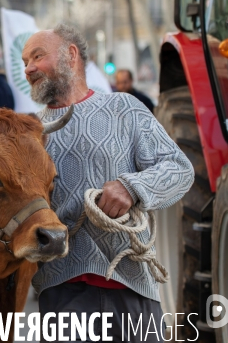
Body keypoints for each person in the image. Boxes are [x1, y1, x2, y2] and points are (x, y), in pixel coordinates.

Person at [22, 24, 194, 342]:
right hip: (62, 295)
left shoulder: (124, 108)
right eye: (25, 62)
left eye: (37, 56)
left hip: (133, 288)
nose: (29, 68)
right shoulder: (29, 132)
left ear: (70, 55)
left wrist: (131, 188)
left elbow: (180, 170)